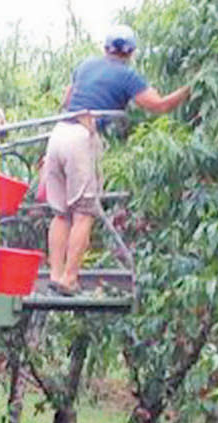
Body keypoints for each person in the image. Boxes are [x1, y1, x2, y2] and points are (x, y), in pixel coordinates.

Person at [38, 25, 187, 293]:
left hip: (58, 132)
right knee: (84, 212)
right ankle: (70, 279)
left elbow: (66, 99)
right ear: (131, 53)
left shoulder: (86, 66)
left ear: (105, 48)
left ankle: (56, 274)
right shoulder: (127, 75)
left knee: (60, 214)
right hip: (82, 136)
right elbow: (159, 105)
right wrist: (189, 89)